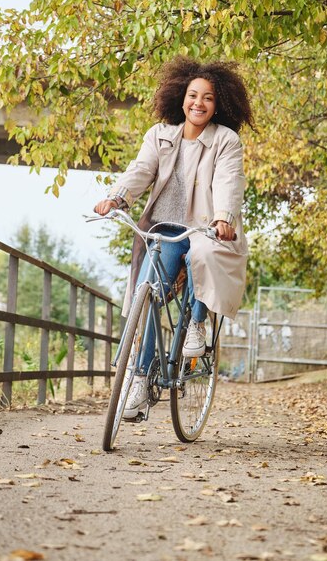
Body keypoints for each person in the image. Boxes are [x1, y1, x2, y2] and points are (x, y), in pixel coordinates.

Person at [94, 56, 253, 418]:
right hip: (164, 229)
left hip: (207, 228)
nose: (199, 103)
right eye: (193, 95)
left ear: (219, 104)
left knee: (206, 256)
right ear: (181, 98)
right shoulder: (160, 135)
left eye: (208, 97)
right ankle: (139, 381)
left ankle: (197, 321)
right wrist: (118, 197)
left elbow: (229, 181)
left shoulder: (226, 141)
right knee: (147, 294)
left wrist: (223, 217)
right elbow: (140, 171)